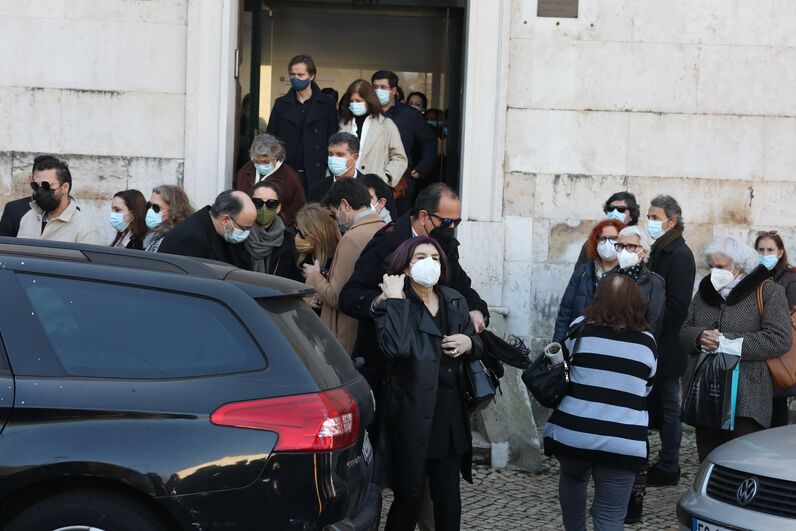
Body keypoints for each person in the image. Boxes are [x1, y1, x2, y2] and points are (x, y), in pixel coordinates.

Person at [374, 236, 482, 531]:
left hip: (449, 421)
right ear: (406, 268)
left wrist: (469, 342)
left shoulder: (453, 299)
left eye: (435, 258)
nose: (430, 263)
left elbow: (481, 345)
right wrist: (395, 300)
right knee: (408, 500)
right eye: (420, 257)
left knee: (449, 503)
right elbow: (394, 349)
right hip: (411, 418)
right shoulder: (393, 303)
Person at [340, 183, 489, 395]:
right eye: (446, 221)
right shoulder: (386, 242)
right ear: (423, 217)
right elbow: (350, 295)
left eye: (456, 222)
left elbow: (462, 285)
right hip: (389, 368)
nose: (451, 228)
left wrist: (477, 310)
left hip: (435, 368)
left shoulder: (445, 244)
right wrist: (381, 301)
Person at [544, 274, 657, 531]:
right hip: (622, 442)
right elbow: (646, 388)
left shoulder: (579, 328)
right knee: (610, 516)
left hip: (574, 434)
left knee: (573, 481)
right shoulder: (647, 342)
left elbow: (563, 368)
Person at [680, 235, 792, 461]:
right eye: (710, 266)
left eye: (720, 266)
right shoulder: (704, 292)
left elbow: (780, 338)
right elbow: (685, 331)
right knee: (708, 457)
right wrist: (700, 336)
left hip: (745, 394)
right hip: (706, 392)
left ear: (740, 266)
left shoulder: (768, 291)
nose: (714, 272)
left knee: (742, 460)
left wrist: (726, 342)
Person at [643, 195, 696, 487]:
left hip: (666, 343)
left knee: (669, 406)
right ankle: (662, 462)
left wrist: (652, 332)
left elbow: (677, 305)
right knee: (660, 405)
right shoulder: (662, 249)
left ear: (671, 220)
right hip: (656, 341)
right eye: (649, 216)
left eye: (654, 217)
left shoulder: (679, 254)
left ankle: (669, 465)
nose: (650, 222)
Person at [303, 179, 384, 353]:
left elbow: (337, 296)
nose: (337, 219)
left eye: (335, 212)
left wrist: (314, 275)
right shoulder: (382, 228)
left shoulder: (352, 238)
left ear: (345, 205)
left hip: (345, 335)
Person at [266, 54, 339, 193]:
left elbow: (333, 137)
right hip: (287, 170)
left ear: (311, 76)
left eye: (300, 74)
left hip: (317, 171)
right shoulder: (281, 104)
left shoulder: (327, 104)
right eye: (292, 75)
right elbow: (271, 137)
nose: (295, 78)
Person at [372, 71, 436, 215]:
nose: (378, 91)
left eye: (383, 87)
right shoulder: (367, 113)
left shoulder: (410, 115)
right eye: (375, 87)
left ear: (394, 90)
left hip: (400, 183)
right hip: (370, 177)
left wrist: (422, 168)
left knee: (398, 224)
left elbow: (428, 141)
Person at [553, 219, 625, 343]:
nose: (607, 243)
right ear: (595, 241)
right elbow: (565, 312)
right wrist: (557, 346)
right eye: (602, 239)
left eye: (614, 238)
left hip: (612, 345)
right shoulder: (582, 272)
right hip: (579, 342)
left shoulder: (628, 274)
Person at [755, 230, 796, 427]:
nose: (765, 254)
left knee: (776, 406)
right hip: (756, 351)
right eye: (761, 250)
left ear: (779, 252)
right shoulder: (752, 277)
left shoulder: (790, 279)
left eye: (770, 250)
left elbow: (788, 317)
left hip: (778, 354)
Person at [158, 190, 255, 269]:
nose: (246, 233)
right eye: (244, 228)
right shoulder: (190, 239)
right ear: (225, 220)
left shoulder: (226, 231)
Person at [339, 79, 407, 188]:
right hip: (345, 186)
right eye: (352, 101)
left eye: (358, 101)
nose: (354, 104)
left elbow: (399, 157)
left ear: (369, 101)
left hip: (374, 188)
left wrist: (386, 177)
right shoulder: (343, 124)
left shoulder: (386, 125)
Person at [17, 157, 101, 245]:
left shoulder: (85, 230)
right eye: (36, 186)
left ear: (65, 187)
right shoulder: (28, 218)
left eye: (46, 185)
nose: (40, 191)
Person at [233, 133, 306, 226]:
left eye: (266, 161)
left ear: (276, 156)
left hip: (277, 231)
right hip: (245, 226)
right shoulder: (246, 170)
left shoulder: (290, 178)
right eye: (256, 161)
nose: (260, 165)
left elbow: (298, 210)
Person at [612, 226, 666, 337]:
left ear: (644, 251)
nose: (624, 251)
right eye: (620, 246)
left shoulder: (654, 283)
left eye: (631, 246)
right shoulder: (607, 278)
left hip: (636, 346)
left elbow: (653, 324)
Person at [245, 181, 301, 281]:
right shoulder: (239, 234)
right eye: (258, 202)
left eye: (271, 204)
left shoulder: (289, 239)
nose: (264, 208)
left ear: (278, 208)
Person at [574, 191, 640, 269]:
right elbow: (579, 274)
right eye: (610, 208)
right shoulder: (594, 241)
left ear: (631, 216)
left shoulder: (639, 243)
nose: (614, 212)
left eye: (621, 210)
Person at [0, 155, 60, 237]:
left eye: (47, 184)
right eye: (37, 184)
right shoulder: (13, 210)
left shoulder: (68, 211)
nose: (42, 189)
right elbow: (4, 245)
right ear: (30, 179)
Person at [307, 132, 363, 203]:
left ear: (355, 157)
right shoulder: (316, 190)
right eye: (330, 154)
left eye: (340, 155)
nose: (333, 159)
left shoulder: (369, 187)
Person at [143, 184, 194, 252]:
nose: (150, 211)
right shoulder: (156, 234)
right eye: (149, 205)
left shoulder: (178, 240)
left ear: (174, 210)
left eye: (156, 207)